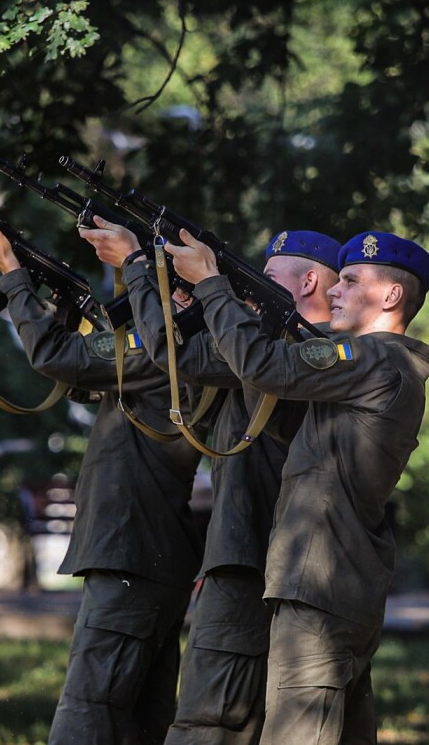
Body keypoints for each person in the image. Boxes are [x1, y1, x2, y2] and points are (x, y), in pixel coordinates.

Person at [162, 228, 429, 744]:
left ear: (391, 296)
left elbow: (265, 366)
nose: (335, 287)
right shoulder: (371, 364)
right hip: (333, 583)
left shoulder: (375, 360)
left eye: (351, 280)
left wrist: (213, 286)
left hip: (321, 585)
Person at [81, 220, 340, 745]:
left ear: (308, 283)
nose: (253, 284)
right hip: (264, 564)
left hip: (246, 564)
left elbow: (172, 358)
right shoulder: (292, 352)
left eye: (267, 276)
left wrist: (143, 268)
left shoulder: (290, 355)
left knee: (206, 724)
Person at [0, 216, 203, 745]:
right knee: (139, 717)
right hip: (153, 553)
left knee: (89, 712)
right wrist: (65, 301)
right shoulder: (182, 353)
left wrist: (12, 273)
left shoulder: (169, 351)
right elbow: (85, 379)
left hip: (131, 550)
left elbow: (56, 356)